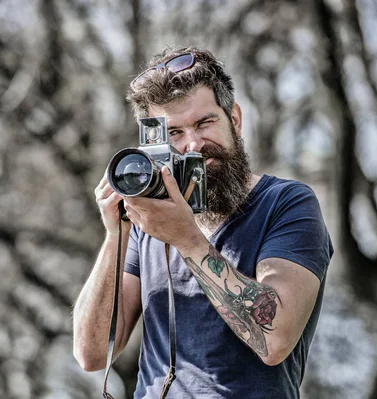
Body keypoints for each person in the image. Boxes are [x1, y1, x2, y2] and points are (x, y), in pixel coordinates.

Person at [73, 46, 334, 398]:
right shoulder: (148, 222)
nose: (193, 145)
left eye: (204, 123)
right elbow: (91, 354)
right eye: (174, 133)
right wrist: (114, 235)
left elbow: (274, 339)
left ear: (235, 120)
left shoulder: (286, 203)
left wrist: (186, 238)